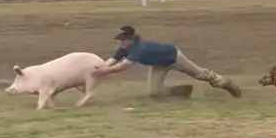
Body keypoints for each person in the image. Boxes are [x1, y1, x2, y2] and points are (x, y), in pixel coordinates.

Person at [93, 25, 242, 98]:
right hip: (159, 64)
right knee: (154, 93)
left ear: (131, 39)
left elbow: (124, 66)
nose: (121, 44)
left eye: (123, 40)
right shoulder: (125, 48)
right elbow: (111, 61)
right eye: (121, 41)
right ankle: (181, 92)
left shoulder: (140, 48)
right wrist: (98, 69)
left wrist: (104, 71)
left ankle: (225, 82)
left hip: (174, 58)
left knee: (201, 74)